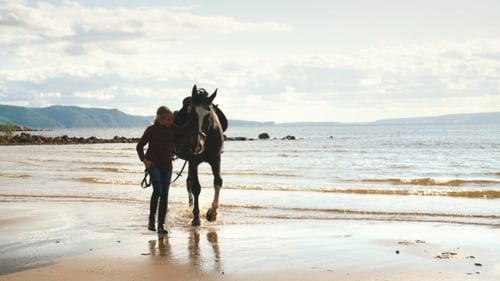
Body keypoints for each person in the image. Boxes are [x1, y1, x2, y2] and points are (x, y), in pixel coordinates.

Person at [136, 105, 191, 234]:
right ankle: (151, 218)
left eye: (171, 119)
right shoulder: (151, 130)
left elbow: (184, 130)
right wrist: (144, 160)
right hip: (153, 165)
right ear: (160, 119)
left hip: (167, 166)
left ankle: (161, 225)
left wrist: (191, 115)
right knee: (158, 191)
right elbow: (139, 146)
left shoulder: (172, 128)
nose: (171, 122)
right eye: (168, 119)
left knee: (165, 195)